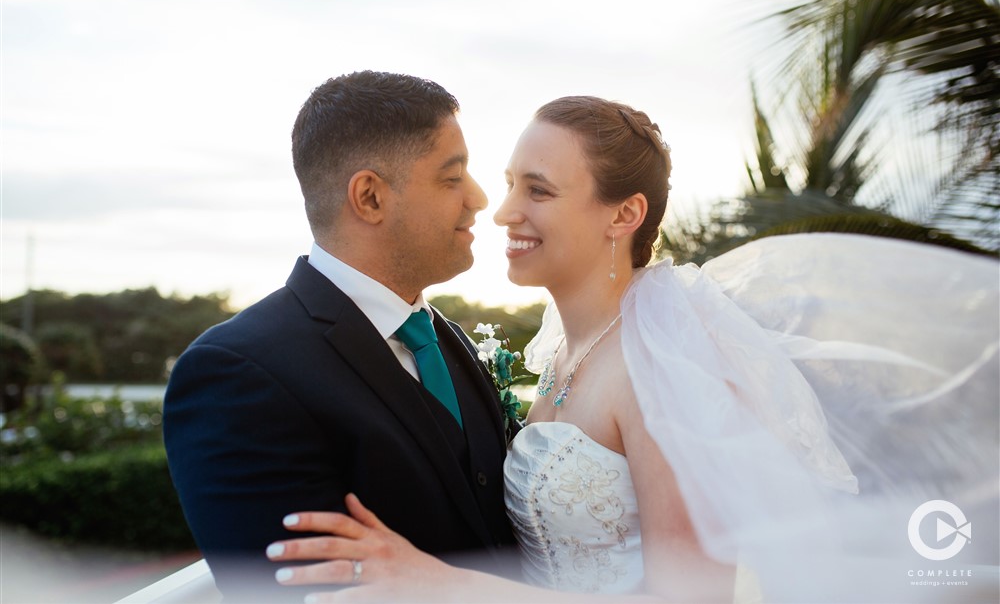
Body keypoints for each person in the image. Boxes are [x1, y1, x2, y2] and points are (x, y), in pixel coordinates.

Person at [266, 96, 1000, 603]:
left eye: (541, 191)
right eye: (512, 182)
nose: (504, 209)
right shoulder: (563, 356)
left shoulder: (662, 367)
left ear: (625, 213)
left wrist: (441, 583)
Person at [163, 71, 520, 603]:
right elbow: (293, 594)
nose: (479, 198)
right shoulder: (236, 373)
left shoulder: (450, 341)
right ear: (370, 197)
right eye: (452, 177)